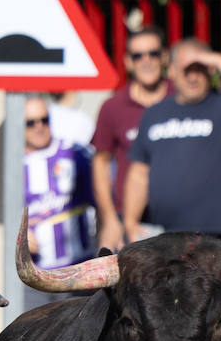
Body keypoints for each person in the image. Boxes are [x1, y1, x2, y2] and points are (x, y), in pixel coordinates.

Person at [122, 37, 221, 243]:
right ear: (171, 70)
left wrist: (215, 59)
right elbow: (139, 173)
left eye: (199, 69)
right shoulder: (154, 114)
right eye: (186, 70)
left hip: (218, 237)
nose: (192, 77)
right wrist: (130, 222)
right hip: (163, 236)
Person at [90, 27, 172, 250]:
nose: (146, 61)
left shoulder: (180, 99)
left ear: (164, 56)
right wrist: (109, 219)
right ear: (127, 61)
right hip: (130, 224)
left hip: (178, 220)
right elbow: (100, 163)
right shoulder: (113, 107)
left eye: (153, 53)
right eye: (138, 55)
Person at [22, 95, 96, 307]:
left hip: (77, 269)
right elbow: (0, 215)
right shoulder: (12, 164)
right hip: (35, 274)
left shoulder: (75, 153)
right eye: (31, 123)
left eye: (44, 120)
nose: (39, 127)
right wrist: (19, 231)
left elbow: (101, 197)